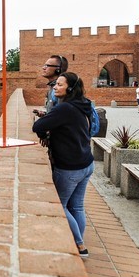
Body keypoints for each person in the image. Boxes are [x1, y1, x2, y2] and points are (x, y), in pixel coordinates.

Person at [32, 72, 95, 259]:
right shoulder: (82, 104)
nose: (55, 87)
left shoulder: (65, 108)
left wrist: (47, 124)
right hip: (86, 163)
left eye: (59, 84)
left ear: (69, 88)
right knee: (77, 207)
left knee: (59, 205)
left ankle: (79, 245)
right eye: (55, 84)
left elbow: (37, 127)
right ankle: (77, 241)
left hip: (70, 167)